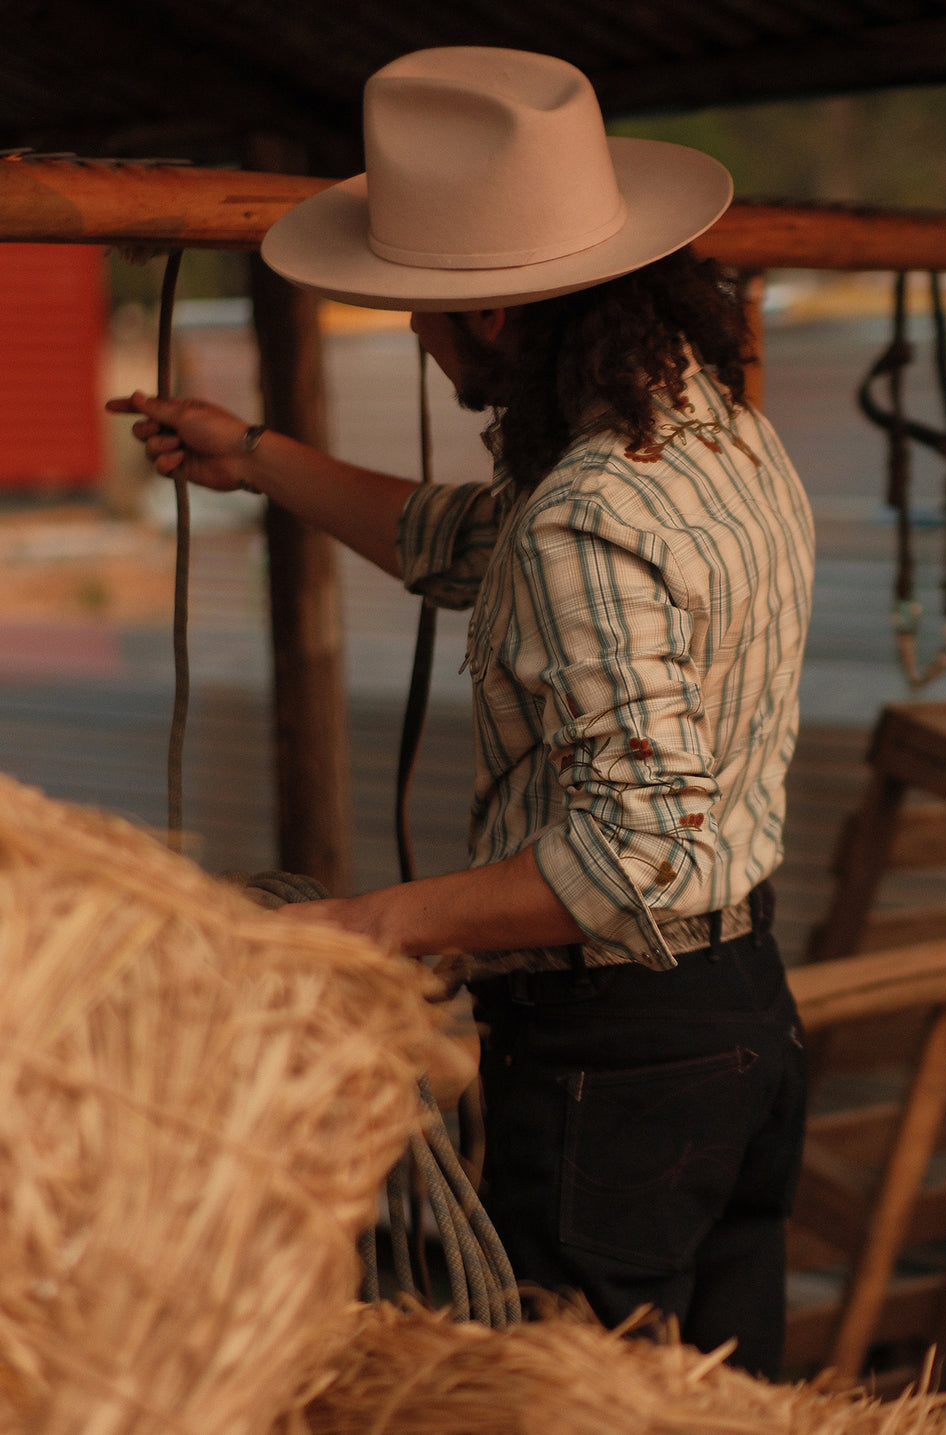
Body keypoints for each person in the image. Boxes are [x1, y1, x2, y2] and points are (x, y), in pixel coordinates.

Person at [109, 46, 814, 1378]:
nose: (417, 339)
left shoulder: (588, 516)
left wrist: (369, 927)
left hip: (618, 1055)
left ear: (493, 317)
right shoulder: (712, 431)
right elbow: (482, 542)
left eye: (417, 313)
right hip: (739, 1024)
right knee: (727, 1411)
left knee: (563, 1407)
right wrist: (255, 456)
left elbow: (630, 859)